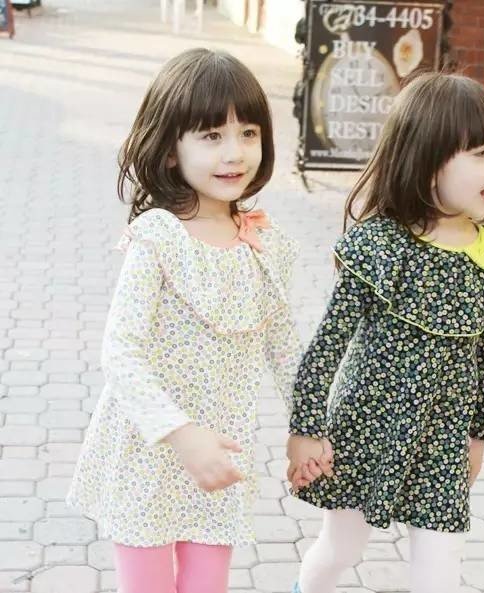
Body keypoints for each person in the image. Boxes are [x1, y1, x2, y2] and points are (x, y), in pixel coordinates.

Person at [66, 47, 311, 593]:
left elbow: (285, 348)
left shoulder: (263, 242)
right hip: (149, 453)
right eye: (211, 135)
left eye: (249, 133)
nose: (235, 153)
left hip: (219, 462)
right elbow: (120, 353)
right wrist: (181, 434)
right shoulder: (158, 237)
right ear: (171, 150)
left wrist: (308, 429)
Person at [286, 71, 484, 593]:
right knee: (341, 549)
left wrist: (478, 437)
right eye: (480, 152)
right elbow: (325, 349)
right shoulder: (380, 246)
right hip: (366, 426)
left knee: (441, 570)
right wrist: (305, 429)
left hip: (444, 438)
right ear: (426, 159)